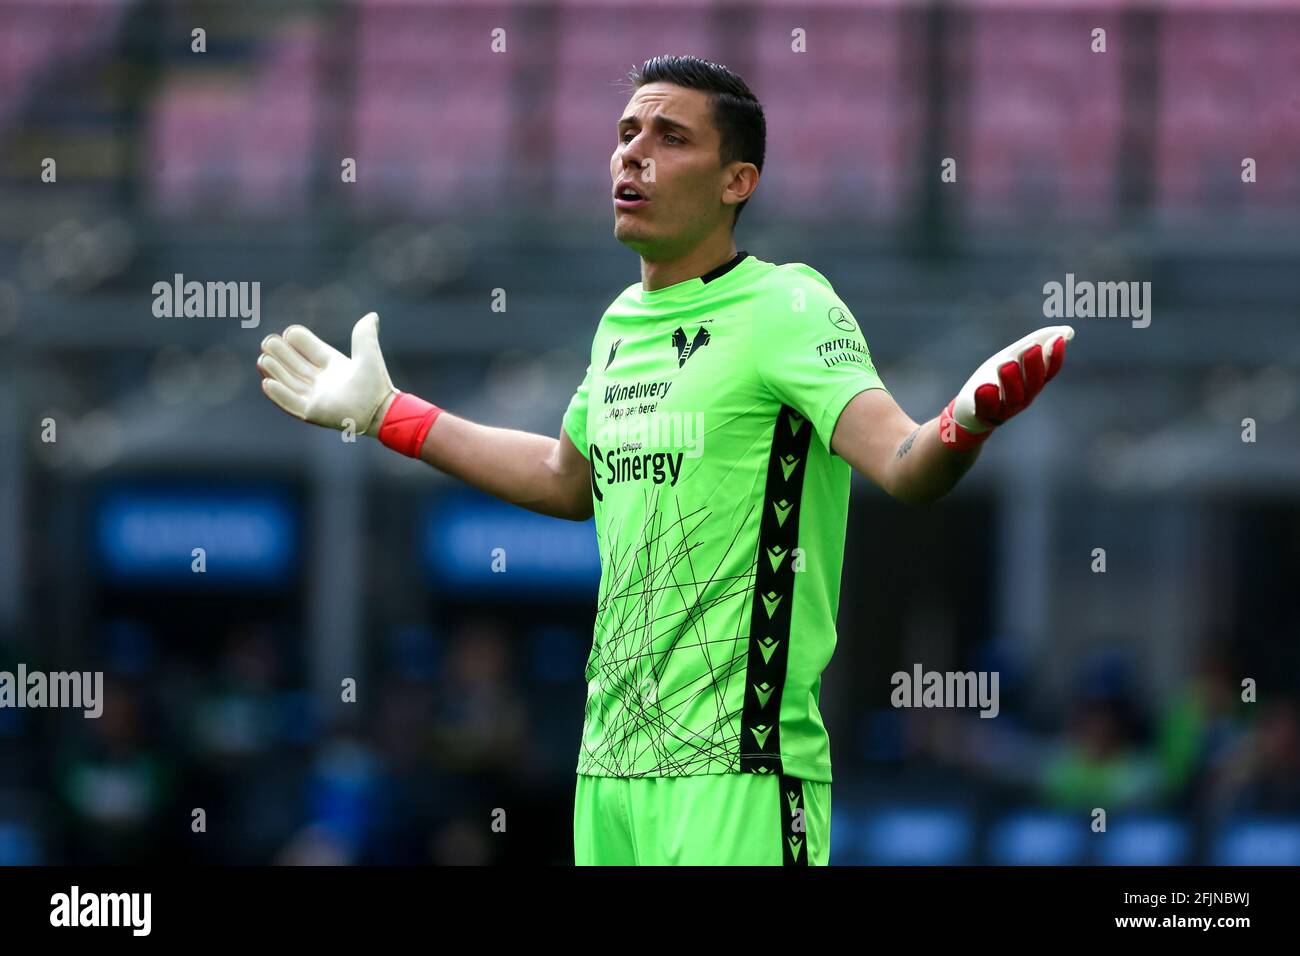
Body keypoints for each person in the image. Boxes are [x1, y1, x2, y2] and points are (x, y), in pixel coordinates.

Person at [255, 54, 1071, 865]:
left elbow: (901, 461)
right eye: (626, 133)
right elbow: (563, 479)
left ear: (736, 181)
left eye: (671, 136)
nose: (633, 154)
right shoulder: (621, 324)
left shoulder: (786, 304)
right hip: (609, 769)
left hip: (738, 770)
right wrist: (389, 414)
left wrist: (965, 423)